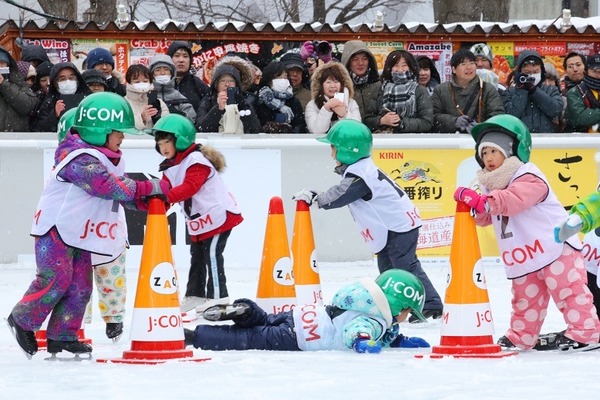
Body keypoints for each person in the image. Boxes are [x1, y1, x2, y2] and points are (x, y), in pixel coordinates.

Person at [6, 92, 168, 358]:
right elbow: (105, 186)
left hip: (81, 232)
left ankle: (63, 336)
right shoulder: (78, 157)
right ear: (100, 131)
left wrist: (149, 202)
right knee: (56, 279)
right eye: (119, 132)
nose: (123, 137)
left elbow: (120, 192)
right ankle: (22, 319)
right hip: (56, 230)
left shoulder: (111, 158)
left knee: (80, 284)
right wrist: (149, 188)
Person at [453, 114, 600, 351]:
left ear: (512, 150)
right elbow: (487, 217)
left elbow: (514, 200)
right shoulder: (490, 185)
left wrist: (485, 202)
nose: (489, 159)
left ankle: (586, 332)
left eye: (494, 151)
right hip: (524, 255)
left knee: (569, 293)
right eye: (484, 153)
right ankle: (521, 336)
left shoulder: (529, 175)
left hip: (555, 247)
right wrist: (474, 208)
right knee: (525, 300)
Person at [293, 120, 443, 322]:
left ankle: (430, 304)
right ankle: (394, 305)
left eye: (333, 148)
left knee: (405, 266)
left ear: (347, 150)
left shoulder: (360, 176)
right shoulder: (362, 170)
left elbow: (340, 195)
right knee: (388, 269)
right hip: (393, 225)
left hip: (398, 226)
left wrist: (316, 198)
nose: (331, 154)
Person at [184, 269, 430, 352]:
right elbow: (359, 330)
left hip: (300, 315)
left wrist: (399, 341)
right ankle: (195, 336)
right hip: (302, 337)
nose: (406, 318)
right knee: (248, 338)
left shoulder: (362, 300)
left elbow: (384, 333)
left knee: (265, 319)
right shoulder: (374, 320)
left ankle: (246, 310)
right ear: (398, 304)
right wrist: (362, 343)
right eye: (408, 312)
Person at [145, 114, 243, 314]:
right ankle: (196, 294)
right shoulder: (170, 166)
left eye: (167, 142)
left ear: (180, 140)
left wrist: (165, 198)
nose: (163, 148)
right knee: (197, 256)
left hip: (218, 216)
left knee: (212, 254)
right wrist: (155, 206)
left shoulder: (196, 160)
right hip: (201, 222)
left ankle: (218, 296)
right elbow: (166, 190)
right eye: (160, 143)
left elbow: (190, 187)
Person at [56, 109, 130, 341]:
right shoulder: (72, 161)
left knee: (112, 275)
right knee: (78, 282)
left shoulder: (113, 157)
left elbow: (114, 185)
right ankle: (75, 325)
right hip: (79, 232)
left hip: (108, 228)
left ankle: (114, 318)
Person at [432, 48, 504, 133]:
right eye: (463, 64)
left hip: (479, 139)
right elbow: (432, 117)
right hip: (449, 141)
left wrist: (482, 127)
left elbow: (498, 116)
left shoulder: (487, 89)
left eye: (472, 63)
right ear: (454, 69)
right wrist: (453, 121)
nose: (469, 67)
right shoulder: (440, 90)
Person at [365, 50, 433, 133]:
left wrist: (401, 122)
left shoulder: (419, 90)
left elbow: (427, 122)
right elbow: (367, 120)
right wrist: (381, 120)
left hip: (412, 142)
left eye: (404, 65)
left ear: (411, 67)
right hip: (384, 141)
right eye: (396, 65)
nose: (400, 70)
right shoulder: (381, 89)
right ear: (389, 68)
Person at [501, 50, 563, 133]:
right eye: (527, 72)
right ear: (520, 72)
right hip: (520, 137)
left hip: (547, 139)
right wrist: (522, 91)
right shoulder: (509, 93)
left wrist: (534, 91)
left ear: (541, 72)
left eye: (535, 72)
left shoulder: (551, 90)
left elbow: (555, 110)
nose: (532, 75)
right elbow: (511, 116)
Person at [196, 63, 261, 134]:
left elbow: (255, 129)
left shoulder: (245, 101)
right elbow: (201, 129)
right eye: (222, 81)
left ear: (236, 84)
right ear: (216, 85)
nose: (227, 84)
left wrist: (243, 107)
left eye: (231, 81)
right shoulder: (207, 101)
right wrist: (218, 109)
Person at [30, 62, 90, 132]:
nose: (68, 82)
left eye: (71, 78)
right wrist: (54, 115)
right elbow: (40, 129)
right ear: (55, 83)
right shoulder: (48, 103)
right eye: (62, 79)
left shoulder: (88, 100)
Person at [304, 62, 361, 135]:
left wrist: (344, 115)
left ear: (342, 84)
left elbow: (357, 130)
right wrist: (326, 109)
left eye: (336, 82)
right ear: (321, 85)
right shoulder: (312, 105)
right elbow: (316, 131)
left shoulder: (351, 103)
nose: (332, 86)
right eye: (328, 82)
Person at [256, 61, 306, 133]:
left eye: (285, 77)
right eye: (278, 77)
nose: (282, 80)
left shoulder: (293, 101)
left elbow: (300, 125)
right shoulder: (260, 100)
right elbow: (257, 124)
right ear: (269, 79)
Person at [341, 40, 381, 126]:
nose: (360, 63)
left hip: (377, 136)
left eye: (365, 58)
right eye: (355, 59)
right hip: (350, 134)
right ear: (347, 62)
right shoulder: (340, 88)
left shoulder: (379, 85)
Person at [149, 53, 197, 123]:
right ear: (152, 75)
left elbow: (192, 119)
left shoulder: (178, 96)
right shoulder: (148, 95)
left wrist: (181, 115)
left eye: (166, 69)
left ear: (172, 74)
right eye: (158, 70)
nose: (162, 73)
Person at [0, 46, 38, 132]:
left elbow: (28, 105)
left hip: (16, 138)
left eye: (2, 63)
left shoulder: (18, 81)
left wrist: (4, 84)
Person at [166, 40, 210, 112]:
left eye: (185, 56)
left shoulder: (197, 84)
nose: (181, 60)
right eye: (177, 56)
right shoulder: (161, 84)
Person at [124, 63, 169, 130]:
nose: (141, 84)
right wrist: (141, 118)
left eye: (145, 81)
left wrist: (157, 118)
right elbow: (122, 125)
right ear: (129, 83)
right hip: (131, 139)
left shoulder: (158, 102)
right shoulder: (123, 103)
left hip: (155, 139)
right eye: (137, 82)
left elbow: (167, 124)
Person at [564, 54, 600, 132]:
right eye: (594, 71)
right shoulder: (575, 92)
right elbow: (580, 117)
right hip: (582, 141)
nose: (598, 75)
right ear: (586, 71)